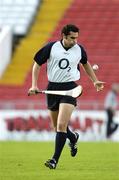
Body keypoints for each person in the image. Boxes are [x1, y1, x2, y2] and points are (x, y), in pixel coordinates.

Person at [28, 24, 104, 169]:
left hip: (70, 88)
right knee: (56, 127)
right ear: (64, 36)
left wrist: (95, 81)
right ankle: (73, 137)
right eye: (72, 38)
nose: (75, 41)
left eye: (76, 38)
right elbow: (37, 64)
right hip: (52, 88)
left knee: (62, 125)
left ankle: (54, 160)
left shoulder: (79, 49)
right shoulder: (51, 47)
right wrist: (34, 85)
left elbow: (86, 64)